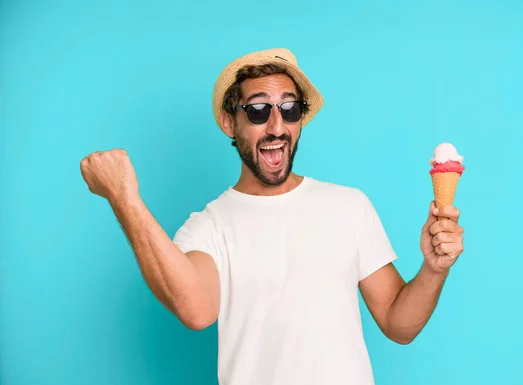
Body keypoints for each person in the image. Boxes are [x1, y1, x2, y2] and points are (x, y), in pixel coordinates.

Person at [79, 48, 465, 385]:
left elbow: (398, 325)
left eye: (290, 109)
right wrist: (125, 199)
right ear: (232, 122)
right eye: (259, 109)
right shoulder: (209, 226)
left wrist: (434, 270)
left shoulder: (349, 206)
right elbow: (197, 310)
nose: (276, 126)